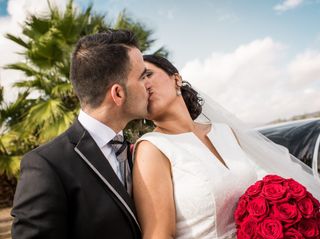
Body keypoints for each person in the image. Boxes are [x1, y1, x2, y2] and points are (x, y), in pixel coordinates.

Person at [132, 55, 320, 239]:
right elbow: (158, 234)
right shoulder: (152, 148)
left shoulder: (225, 132)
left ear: (176, 79)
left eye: (147, 74)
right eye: (137, 82)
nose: (144, 85)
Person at [11, 30, 149, 239]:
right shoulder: (47, 165)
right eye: (142, 77)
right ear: (118, 93)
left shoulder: (141, 152)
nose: (148, 84)